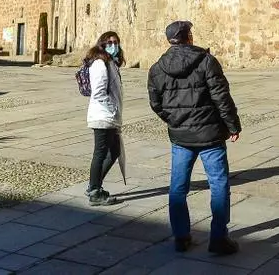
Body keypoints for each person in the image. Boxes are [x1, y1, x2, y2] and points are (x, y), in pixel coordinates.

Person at [147, 20, 241, 255]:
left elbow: (155, 103)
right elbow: (221, 97)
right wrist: (232, 125)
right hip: (210, 136)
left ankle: (180, 236)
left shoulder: (158, 68)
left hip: (181, 138)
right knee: (218, 184)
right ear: (189, 37)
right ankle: (219, 238)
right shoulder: (207, 62)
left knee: (178, 187)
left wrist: (174, 120)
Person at [84, 31, 125, 206]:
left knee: (114, 151)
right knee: (100, 153)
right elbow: (99, 91)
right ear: (102, 44)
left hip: (109, 116)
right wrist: (112, 108)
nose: (113, 45)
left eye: (116, 42)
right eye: (109, 42)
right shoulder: (100, 63)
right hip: (103, 116)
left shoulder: (111, 62)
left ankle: (94, 186)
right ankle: (94, 191)